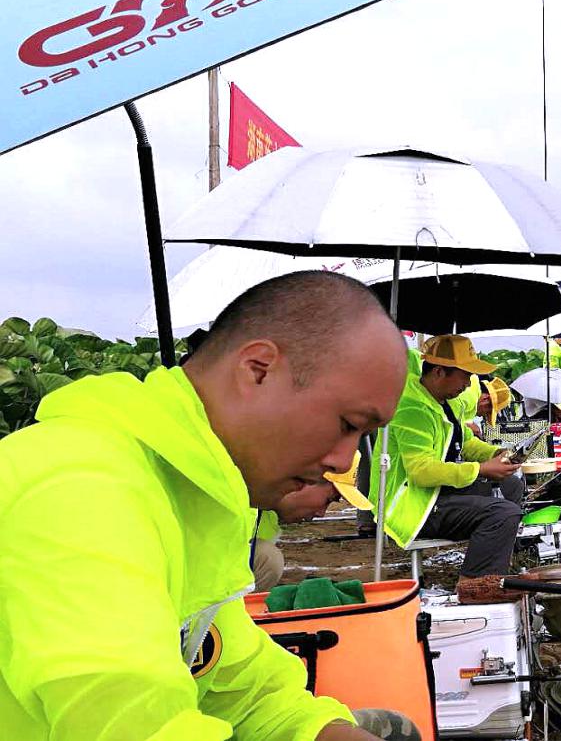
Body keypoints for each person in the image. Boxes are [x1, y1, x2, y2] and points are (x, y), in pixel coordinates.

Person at [0, 271, 413, 741]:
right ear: (258, 369)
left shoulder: (199, 491)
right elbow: (134, 722)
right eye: (347, 424)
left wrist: (318, 729)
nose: (343, 459)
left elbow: (237, 684)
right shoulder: (79, 487)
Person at [372, 335, 530, 605]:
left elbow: (465, 443)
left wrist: (495, 454)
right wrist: (481, 469)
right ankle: (476, 588)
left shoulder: (445, 402)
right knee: (504, 513)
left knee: (512, 485)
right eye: (464, 377)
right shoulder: (411, 409)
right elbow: (421, 471)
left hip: (433, 493)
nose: (468, 385)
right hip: (412, 504)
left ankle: (493, 561)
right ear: (439, 371)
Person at [252, 452, 372, 592]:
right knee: (268, 558)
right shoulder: (241, 498)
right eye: (328, 500)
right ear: (306, 479)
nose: (321, 514)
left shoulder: (268, 517)